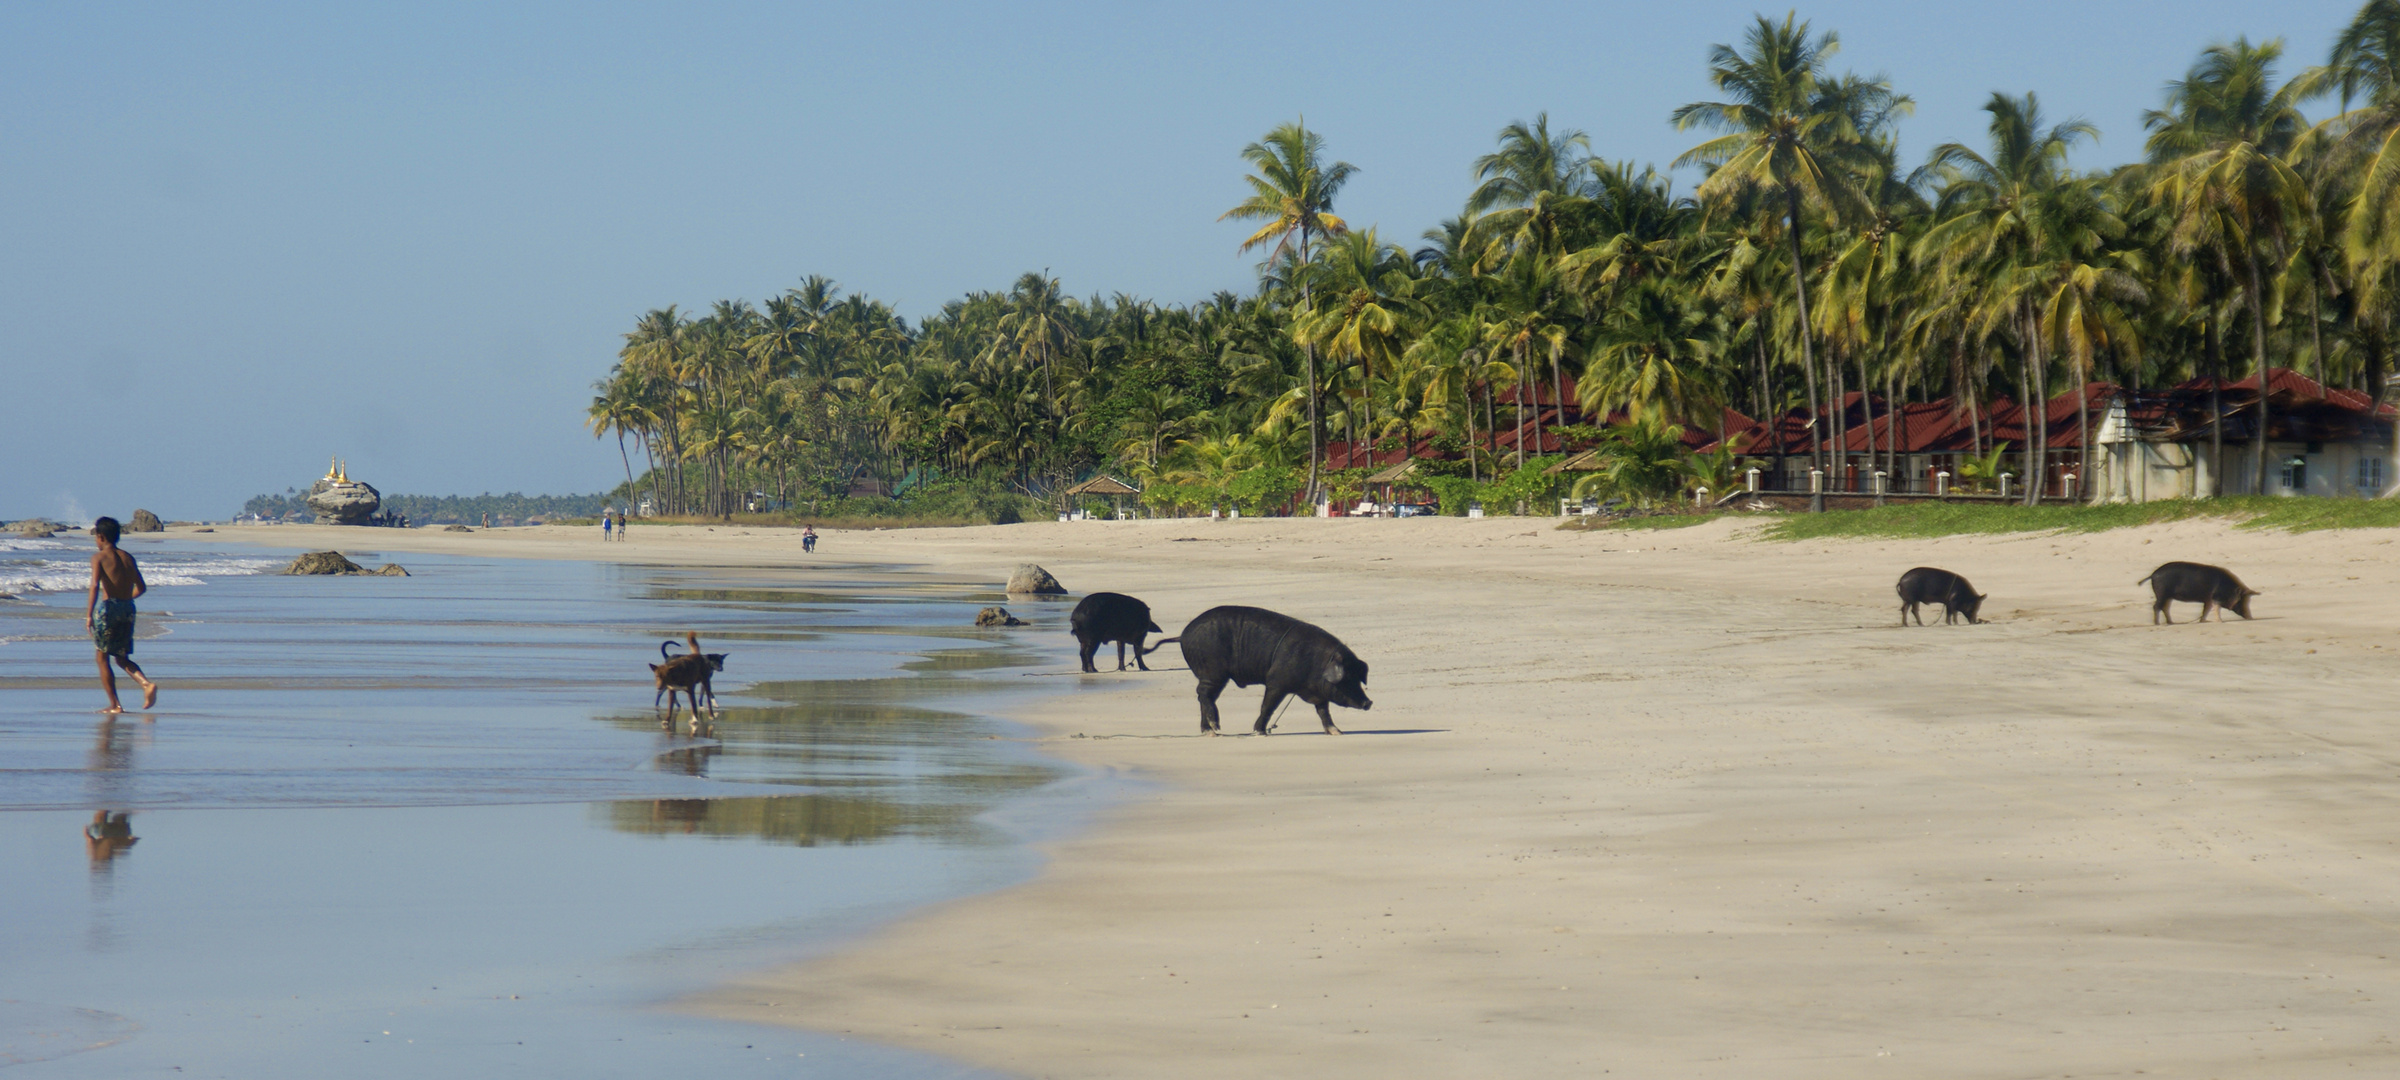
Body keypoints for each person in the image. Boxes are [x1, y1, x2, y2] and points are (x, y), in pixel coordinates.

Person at [84, 516, 158, 713]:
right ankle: (146, 684)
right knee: (121, 657)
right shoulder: (128, 557)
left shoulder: (98, 558)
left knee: (102, 657)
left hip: (109, 609)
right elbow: (141, 588)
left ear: (100, 537)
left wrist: (89, 615)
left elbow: (94, 586)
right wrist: (126, 599)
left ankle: (115, 704)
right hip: (128, 609)